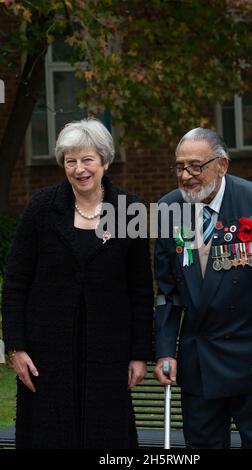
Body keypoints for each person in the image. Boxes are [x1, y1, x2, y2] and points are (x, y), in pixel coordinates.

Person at [2, 118, 154, 449]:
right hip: (46, 355)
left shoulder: (129, 210)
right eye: (70, 161)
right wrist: (16, 347)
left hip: (108, 354)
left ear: (105, 161)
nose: (79, 169)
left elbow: (141, 289)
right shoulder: (42, 208)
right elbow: (15, 281)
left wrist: (140, 353)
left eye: (87, 159)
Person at [153, 127, 252, 449]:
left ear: (222, 165)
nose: (186, 175)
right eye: (179, 166)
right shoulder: (168, 209)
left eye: (196, 166)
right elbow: (167, 293)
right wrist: (165, 350)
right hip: (198, 364)